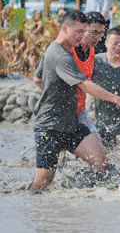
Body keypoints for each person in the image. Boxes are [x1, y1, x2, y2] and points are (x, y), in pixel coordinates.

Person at [31, 10, 120, 190]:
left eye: (85, 31)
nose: (83, 35)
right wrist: (118, 100)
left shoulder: (82, 51)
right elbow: (84, 85)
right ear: (64, 28)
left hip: (73, 120)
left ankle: (82, 192)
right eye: (80, 31)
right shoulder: (61, 55)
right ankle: (32, 208)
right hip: (51, 125)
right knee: (44, 180)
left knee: (101, 161)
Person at [34, 11, 107, 150]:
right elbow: (37, 79)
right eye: (92, 32)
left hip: (80, 111)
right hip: (60, 114)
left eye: (100, 33)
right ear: (84, 30)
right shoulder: (65, 52)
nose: (97, 37)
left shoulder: (93, 51)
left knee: (99, 147)